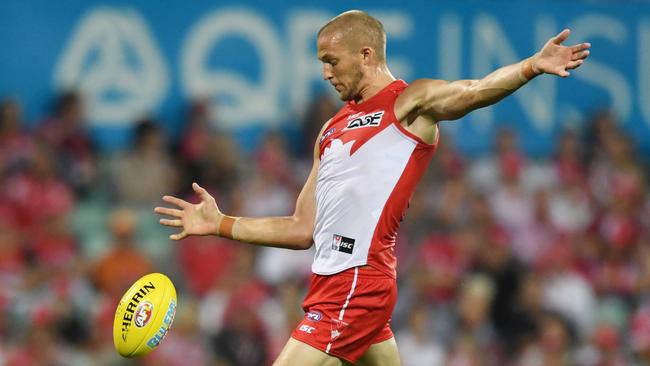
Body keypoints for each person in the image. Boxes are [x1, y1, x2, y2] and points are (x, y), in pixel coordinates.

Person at [155, 10, 590, 366]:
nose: (325, 73)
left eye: (332, 60)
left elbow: (473, 91)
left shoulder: (409, 104)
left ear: (365, 54)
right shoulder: (330, 130)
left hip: (358, 281)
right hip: (328, 281)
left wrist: (531, 66)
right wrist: (221, 224)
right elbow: (300, 228)